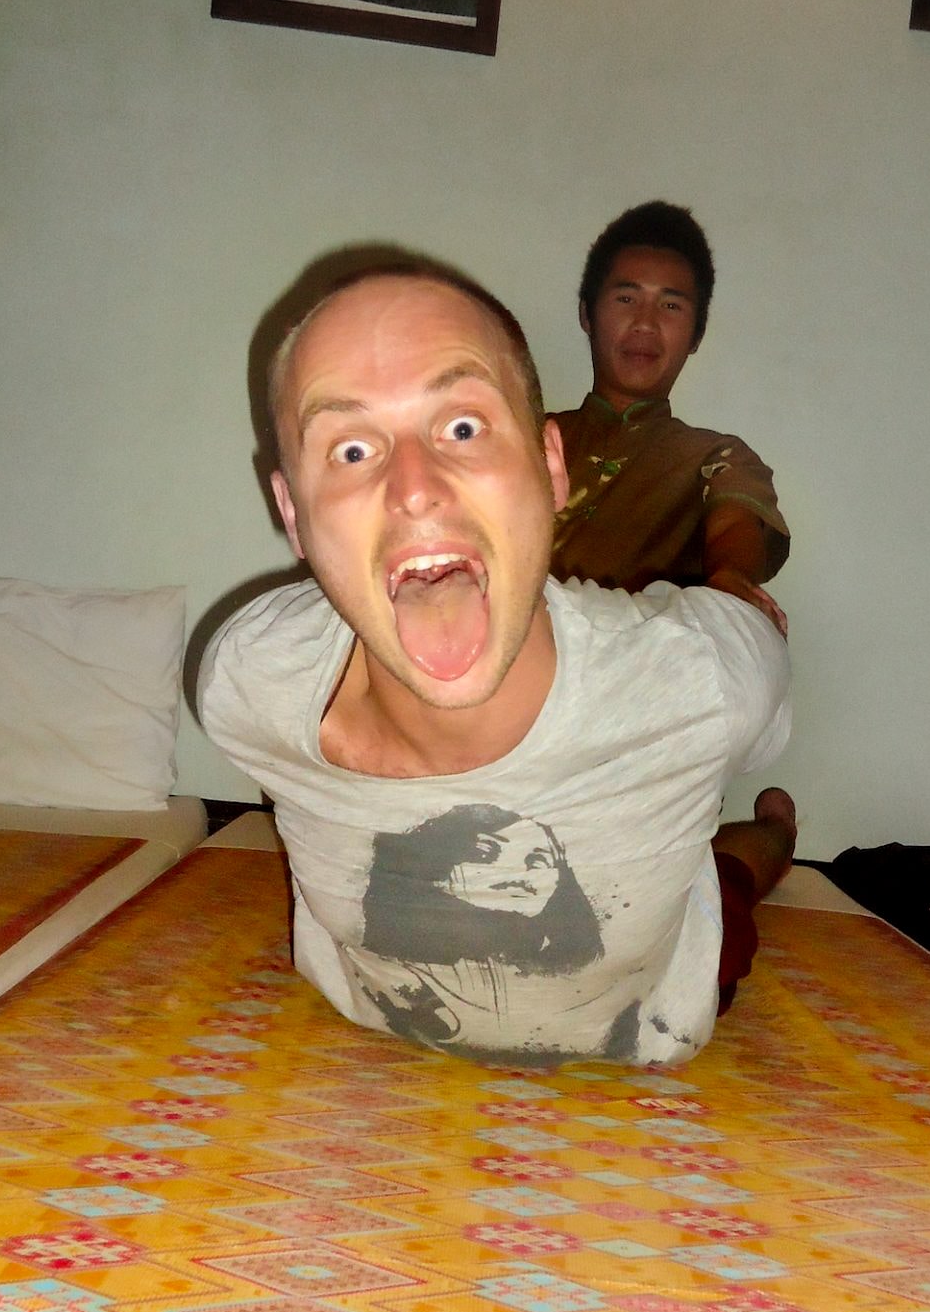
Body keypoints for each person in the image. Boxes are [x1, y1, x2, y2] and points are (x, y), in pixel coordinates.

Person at [199, 256, 795, 1068]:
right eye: (348, 449)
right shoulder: (249, 680)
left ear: (550, 472)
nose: (415, 488)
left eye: (463, 429)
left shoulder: (701, 676)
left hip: (652, 992)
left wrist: (727, 589)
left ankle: (766, 834)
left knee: (725, 879)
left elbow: (740, 572)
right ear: (293, 518)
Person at [551, 201, 789, 630]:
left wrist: (732, 579)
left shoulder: (717, 457)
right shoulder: (520, 436)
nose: (645, 323)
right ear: (587, 313)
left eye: (671, 306)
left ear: (696, 334)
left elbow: (733, 525)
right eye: (626, 298)